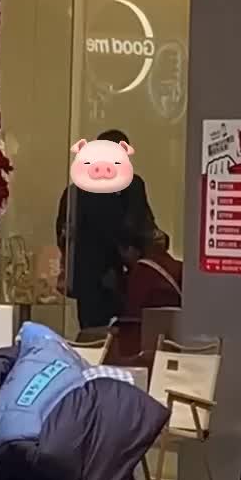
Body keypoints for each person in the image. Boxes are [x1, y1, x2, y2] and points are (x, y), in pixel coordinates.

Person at [56, 129, 155, 330]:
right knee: (122, 333)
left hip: (86, 276)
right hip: (120, 273)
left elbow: (63, 234)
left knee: (91, 332)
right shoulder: (131, 185)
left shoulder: (75, 191)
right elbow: (138, 224)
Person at [115, 228, 183, 355]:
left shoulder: (140, 271)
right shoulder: (179, 266)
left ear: (131, 249)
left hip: (145, 343)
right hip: (175, 339)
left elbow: (132, 313)